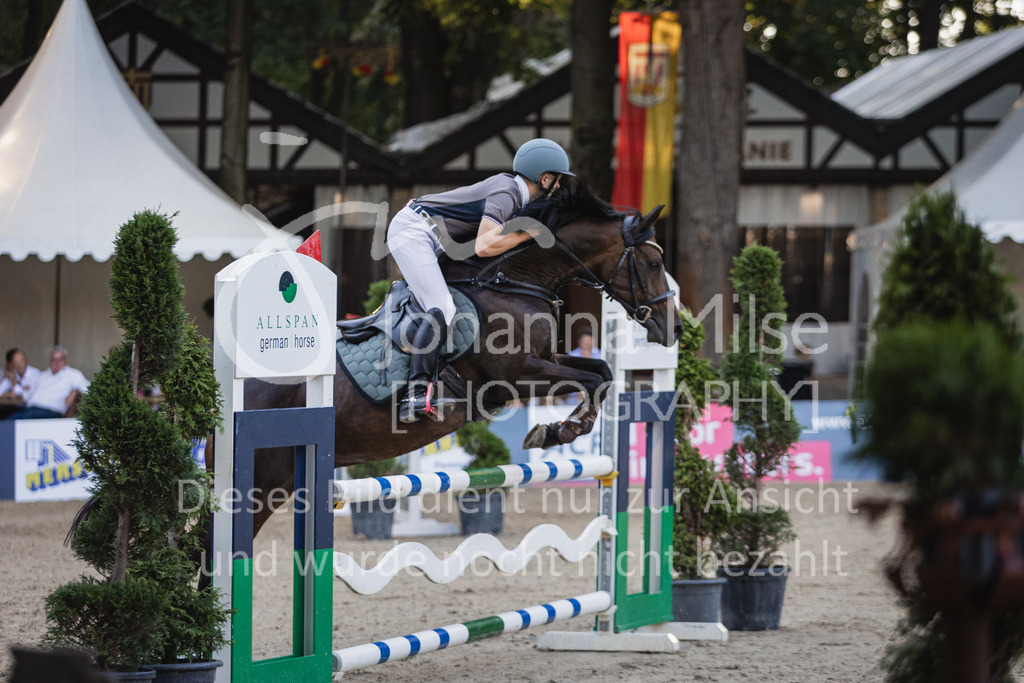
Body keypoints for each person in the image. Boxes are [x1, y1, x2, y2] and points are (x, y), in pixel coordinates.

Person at [387, 138, 574, 423]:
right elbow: (486, 246)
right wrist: (529, 233)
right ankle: (415, 393)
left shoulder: (514, 195)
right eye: (557, 180)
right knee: (442, 307)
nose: (559, 186)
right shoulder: (507, 193)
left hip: (437, 239)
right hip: (414, 232)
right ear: (544, 178)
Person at [3, 346, 89, 420]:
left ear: (65, 360)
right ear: (50, 361)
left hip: (50, 413)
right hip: (30, 409)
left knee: (10, 421)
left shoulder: (73, 374)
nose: (57, 362)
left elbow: (87, 388)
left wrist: (75, 391)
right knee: (4, 413)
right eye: (54, 359)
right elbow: (28, 395)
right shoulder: (43, 375)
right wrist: (14, 385)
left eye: (60, 359)